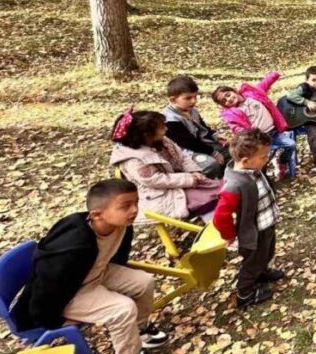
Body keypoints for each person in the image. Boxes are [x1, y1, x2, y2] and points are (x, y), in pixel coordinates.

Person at [10, 179, 172, 354]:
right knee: (122, 308)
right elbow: (47, 286)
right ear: (97, 214)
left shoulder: (122, 224)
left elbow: (117, 257)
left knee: (144, 282)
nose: (134, 210)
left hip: (95, 272)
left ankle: (139, 331)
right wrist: (53, 320)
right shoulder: (73, 244)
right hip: (69, 293)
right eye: (126, 206)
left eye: (136, 203)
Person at [213, 130, 283, 308]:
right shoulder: (234, 185)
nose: (266, 159)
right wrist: (229, 235)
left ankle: (262, 273)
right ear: (245, 161)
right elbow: (220, 216)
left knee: (267, 252)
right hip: (253, 232)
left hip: (266, 223)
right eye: (263, 157)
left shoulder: (252, 168)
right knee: (252, 263)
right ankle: (245, 295)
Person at [110, 108, 221, 221]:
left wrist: (193, 171)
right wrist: (188, 178)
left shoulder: (163, 141)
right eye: (162, 127)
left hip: (179, 181)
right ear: (147, 134)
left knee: (219, 189)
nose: (166, 128)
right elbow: (155, 180)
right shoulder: (134, 160)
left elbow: (182, 157)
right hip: (161, 194)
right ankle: (213, 219)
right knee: (206, 198)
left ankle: (215, 211)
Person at [211, 71, 295, 180]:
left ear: (234, 90)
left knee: (291, 144)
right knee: (263, 159)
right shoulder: (233, 113)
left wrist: (275, 74)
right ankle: (263, 179)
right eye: (224, 101)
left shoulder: (253, 93)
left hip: (274, 132)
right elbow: (237, 128)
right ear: (224, 105)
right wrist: (246, 135)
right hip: (259, 139)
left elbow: (265, 83)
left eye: (228, 95)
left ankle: (282, 163)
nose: (229, 99)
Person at [162, 75, 229, 178]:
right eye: (188, 98)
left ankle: (224, 177)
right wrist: (213, 153)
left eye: (195, 97)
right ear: (173, 100)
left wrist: (215, 135)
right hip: (186, 152)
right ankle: (204, 182)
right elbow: (188, 142)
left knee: (231, 152)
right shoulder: (170, 120)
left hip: (201, 144)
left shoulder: (192, 111)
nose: (194, 101)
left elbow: (203, 128)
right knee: (210, 165)